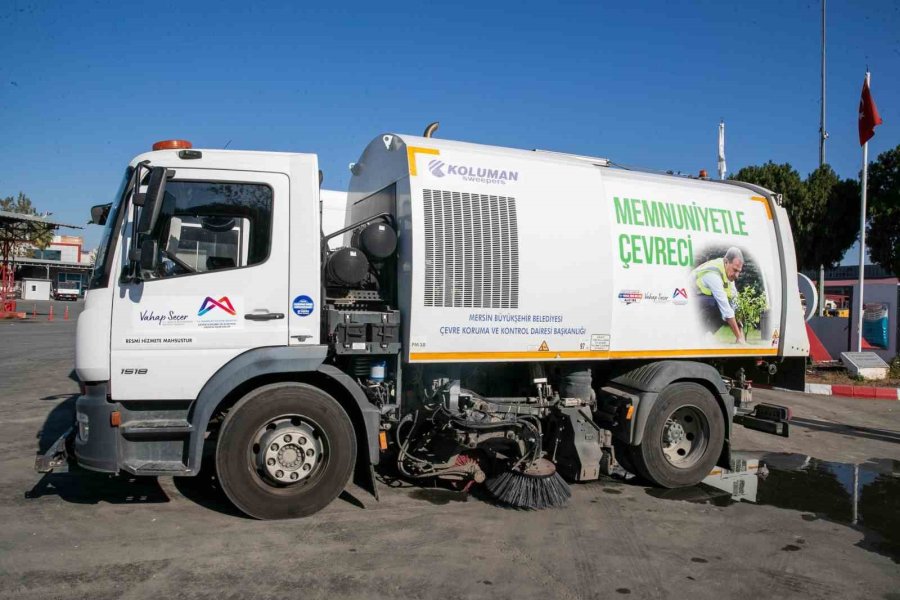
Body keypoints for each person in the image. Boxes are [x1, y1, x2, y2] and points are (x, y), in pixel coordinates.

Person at [692, 247, 745, 343]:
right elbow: (725, 307)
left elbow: (735, 302)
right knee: (718, 304)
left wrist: (741, 331)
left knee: (729, 308)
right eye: (735, 270)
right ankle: (697, 335)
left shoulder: (728, 274)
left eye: (739, 271)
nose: (737, 275)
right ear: (726, 262)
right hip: (687, 301)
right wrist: (739, 338)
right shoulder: (713, 274)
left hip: (701, 300)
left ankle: (704, 335)